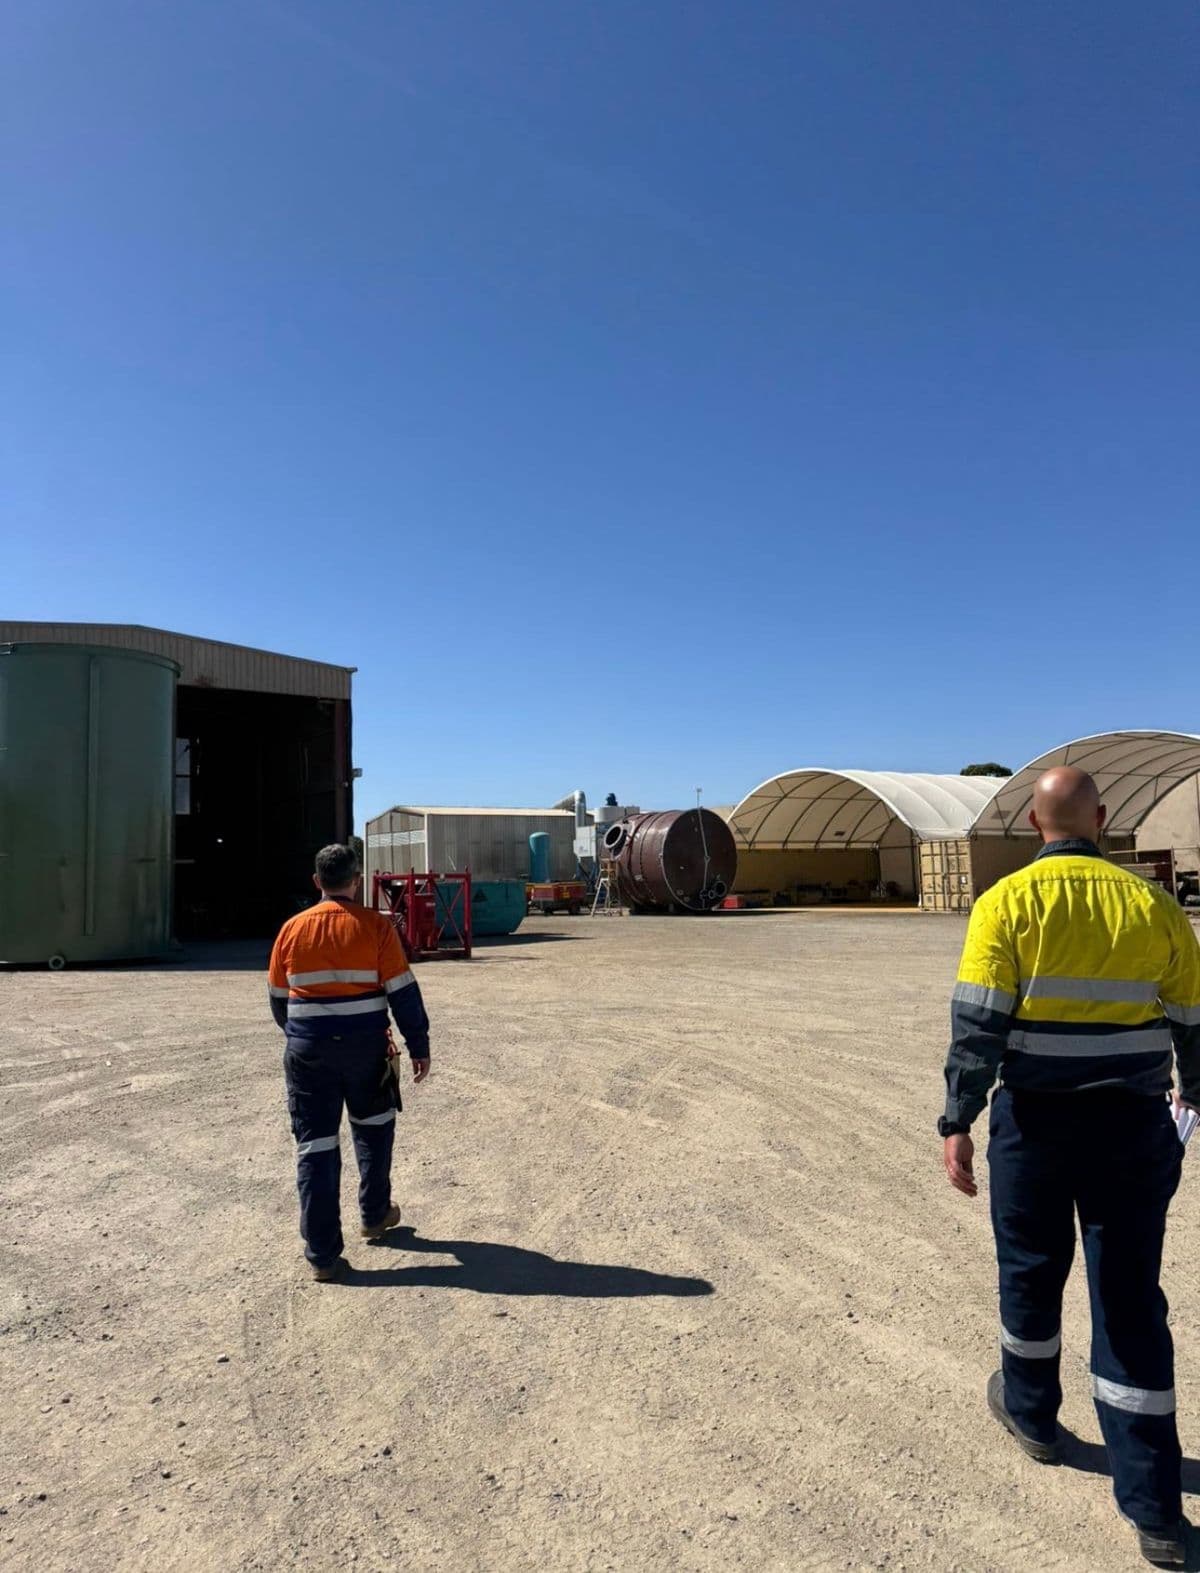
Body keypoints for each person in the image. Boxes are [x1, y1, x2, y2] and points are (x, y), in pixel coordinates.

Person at [938, 767, 1200, 1569]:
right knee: (1127, 1298)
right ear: (1103, 815)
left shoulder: (1006, 903)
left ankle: (1033, 1417)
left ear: (1030, 820)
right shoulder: (1152, 904)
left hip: (1037, 1127)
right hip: (1130, 1127)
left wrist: (959, 1119)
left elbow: (978, 1026)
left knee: (1030, 1273)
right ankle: (1155, 1510)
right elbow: (1193, 1018)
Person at [268, 844, 431, 1282]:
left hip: (308, 1053)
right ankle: (375, 1214)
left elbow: (279, 1002)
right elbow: (402, 992)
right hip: (366, 1049)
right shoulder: (376, 927)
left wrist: (307, 1038)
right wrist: (419, 1044)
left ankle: (322, 1257)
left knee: (316, 1147)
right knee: (374, 1128)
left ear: (317, 882)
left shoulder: (291, 930)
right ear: (356, 880)